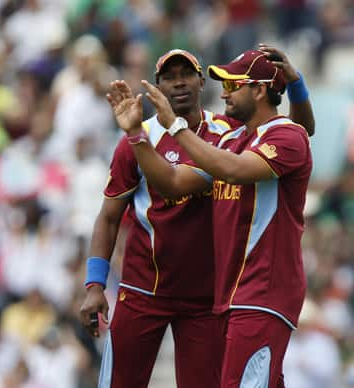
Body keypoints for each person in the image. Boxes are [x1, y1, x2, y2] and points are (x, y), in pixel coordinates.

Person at [79, 46, 314, 388]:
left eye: (186, 74)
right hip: (148, 288)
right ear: (156, 84)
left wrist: (295, 84)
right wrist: (95, 283)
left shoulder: (231, 136)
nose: (179, 84)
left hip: (219, 298)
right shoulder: (233, 141)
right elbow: (169, 186)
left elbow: (297, 133)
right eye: (169, 78)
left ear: (199, 81)